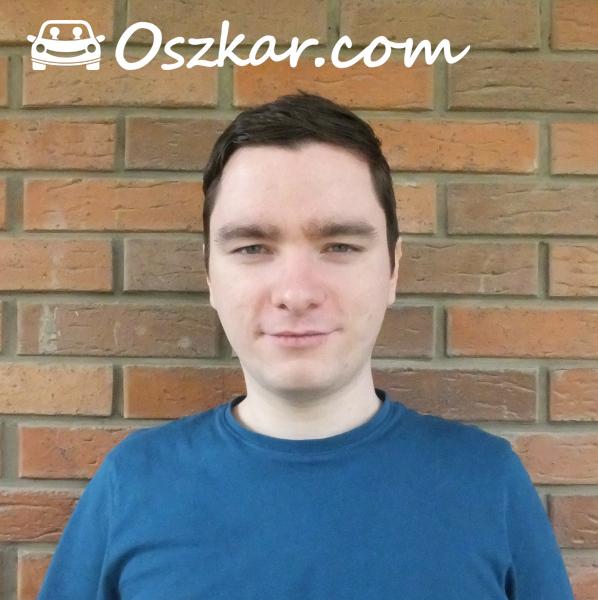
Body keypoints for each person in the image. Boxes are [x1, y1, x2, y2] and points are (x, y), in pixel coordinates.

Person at [38, 92, 574, 599]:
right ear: (209, 276)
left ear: (392, 270)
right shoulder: (133, 483)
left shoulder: (488, 482)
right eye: (253, 247)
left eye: (339, 245)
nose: (296, 293)